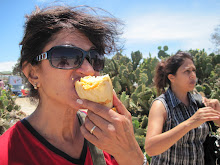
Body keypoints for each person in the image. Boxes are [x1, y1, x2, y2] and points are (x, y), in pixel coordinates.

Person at [0, 5, 146, 165]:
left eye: (94, 58)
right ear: (33, 74)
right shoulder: (7, 154)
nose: (89, 70)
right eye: (66, 57)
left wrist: (131, 154)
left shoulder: (108, 135)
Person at [145, 51, 220, 165]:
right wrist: (189, 123)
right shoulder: (161, 105)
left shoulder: (199, 101)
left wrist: (217, 112)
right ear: (172, 77)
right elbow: (151, 148)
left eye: (193, 70)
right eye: (187, 71)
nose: (193, 75)